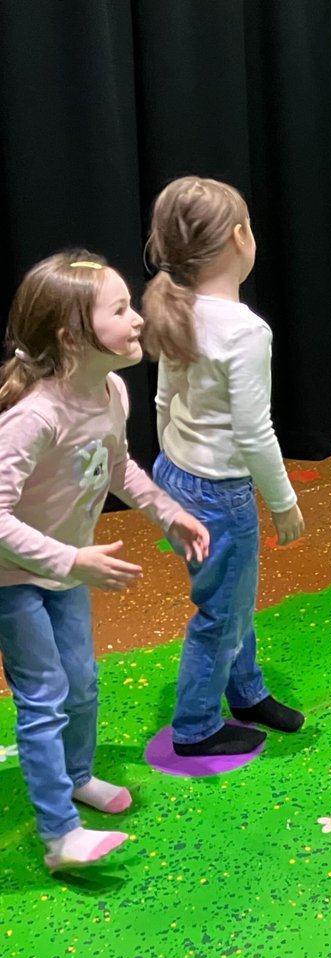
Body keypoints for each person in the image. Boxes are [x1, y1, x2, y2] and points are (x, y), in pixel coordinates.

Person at [0, 252, 209, 867]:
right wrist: (71, 560)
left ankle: (77, 776)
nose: (137, 318)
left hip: (66, 568)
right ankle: (59, 835)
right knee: (44, 696)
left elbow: (116, 467)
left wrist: (167, 512)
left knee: (82, 682)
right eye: (119, 310)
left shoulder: (112, 390)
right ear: (71, 336)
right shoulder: (34, 416)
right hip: (14, 577)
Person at [142, 177, 305, 758]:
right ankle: (196, 727)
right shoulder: (245, 330)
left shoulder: (179, 307)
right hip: (219, 493)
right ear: (241, 238)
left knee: (232, 599)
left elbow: (164, 399)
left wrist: (175, 462)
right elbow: (254, 432)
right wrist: (284, 502)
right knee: (221, 612)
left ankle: (247, 692)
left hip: (176, 476)